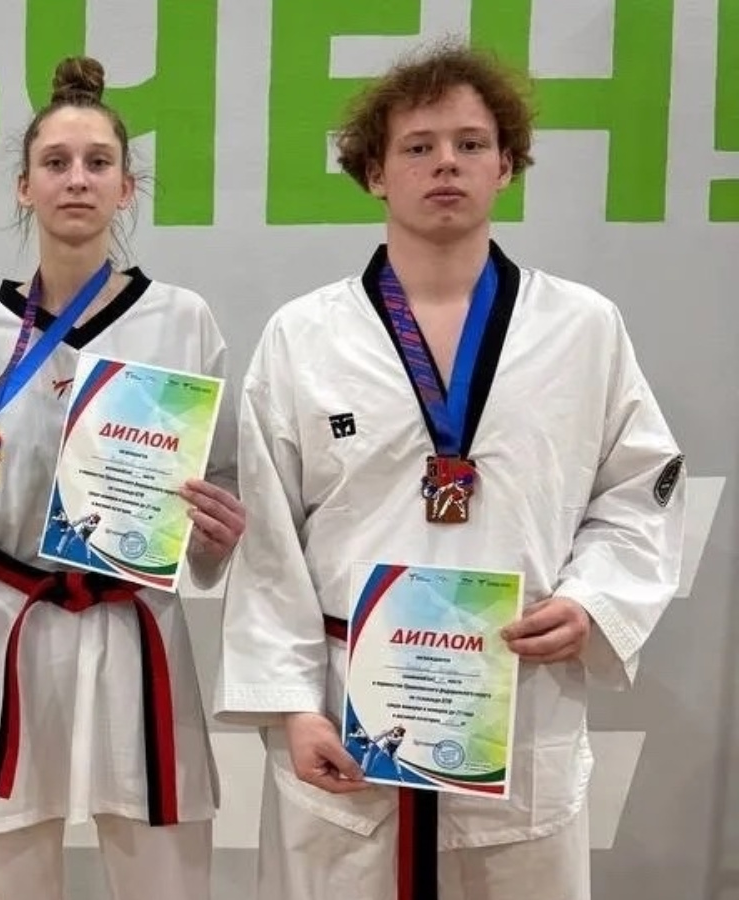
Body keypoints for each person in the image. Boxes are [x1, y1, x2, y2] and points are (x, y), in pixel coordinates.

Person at [215, 41, 686, 900]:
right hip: (349, 710)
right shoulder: (303, 336)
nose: (446, 164)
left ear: (506, 165)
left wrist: (593, 601)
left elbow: (639, 491)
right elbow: (270, 541)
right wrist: (294, 706)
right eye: (419, 146)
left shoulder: (582, 328)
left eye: (471, 143)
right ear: (374, 173)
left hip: (518, 696)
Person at [0, 56, 246, 900]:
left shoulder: (183, 320)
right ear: (23, 187)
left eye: (98, 163)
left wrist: (215, 534)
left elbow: (219, 484)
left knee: (166, 882)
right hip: (12, 620)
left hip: (135, 622)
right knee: (12, 873)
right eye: (55, 163)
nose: (76, 179)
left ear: (126, 188)